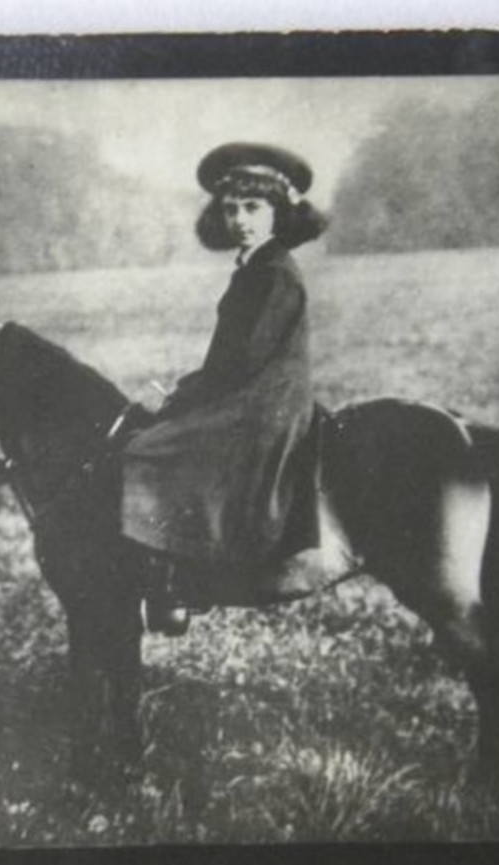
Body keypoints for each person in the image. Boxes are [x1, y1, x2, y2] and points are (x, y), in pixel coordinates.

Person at [120, 143, 329, 633]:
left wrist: (179, 397)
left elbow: (242, 362)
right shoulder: (253, 268)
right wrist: (182, 392)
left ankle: (174, 582)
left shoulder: (274, 273)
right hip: (250, 394)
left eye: (254, 208)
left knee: (148, 450)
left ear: (279, 212)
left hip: (264, 403)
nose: (240, 219)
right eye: (231, 208)